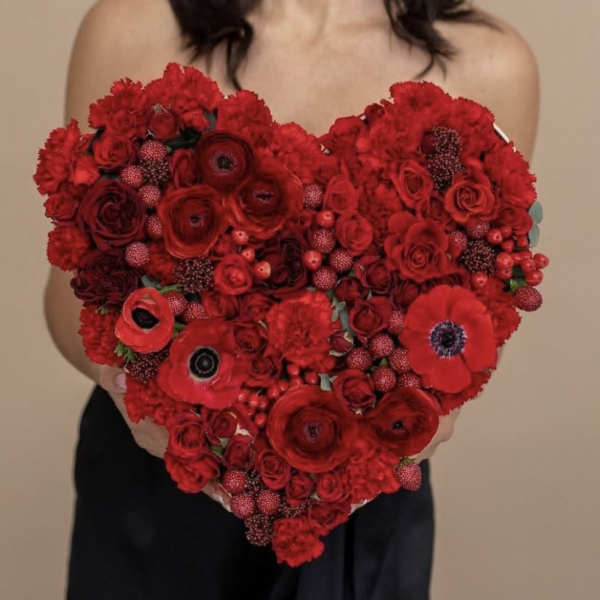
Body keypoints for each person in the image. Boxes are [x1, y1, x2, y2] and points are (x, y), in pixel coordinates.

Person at [44, 1, 539, 598]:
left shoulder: (493, 64)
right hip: (155, 480)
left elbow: (487, 304)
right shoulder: (130, 25)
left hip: (361, 505)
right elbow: (71, 294)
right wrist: (136, 390)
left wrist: (425, 411)